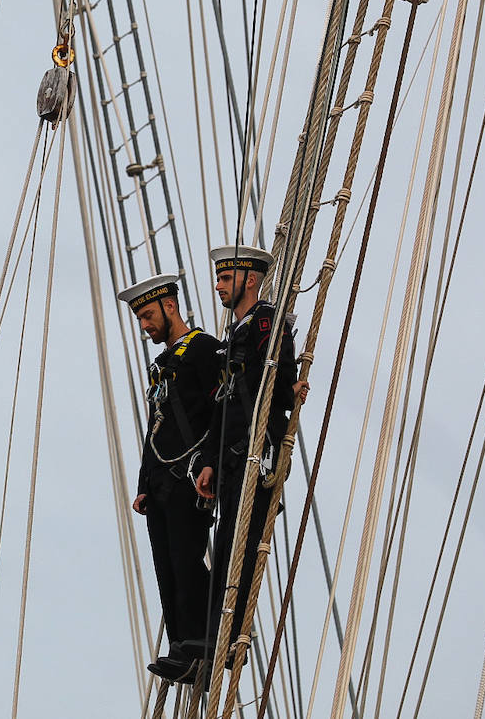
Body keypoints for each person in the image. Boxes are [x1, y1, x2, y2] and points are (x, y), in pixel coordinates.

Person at [191, 244, 308, 666]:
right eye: (219, 278)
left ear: (251, 280)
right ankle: (214, 634)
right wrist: (207, 459)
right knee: (224, 544)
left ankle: (229, 632)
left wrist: (287, 396)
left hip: (256, 453)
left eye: (226, 278)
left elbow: (281, 382)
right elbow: (220, 406)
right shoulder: (233, 337)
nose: (219, 285)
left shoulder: (266, 323)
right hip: (228, 455)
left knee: (238, 543)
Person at [120, 272, 222, 683]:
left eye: (148, 316)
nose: (145, 327)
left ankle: (200, 638)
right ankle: (180, 644)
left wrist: (212, 461)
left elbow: (221, 412)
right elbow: (155, 426)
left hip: (189, 475)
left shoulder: (205, 350)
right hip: (161, 480)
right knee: (165, 565)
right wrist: (144, 484)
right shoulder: (161, 366)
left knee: (185, 557)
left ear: (170, 306)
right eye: (141, 320)